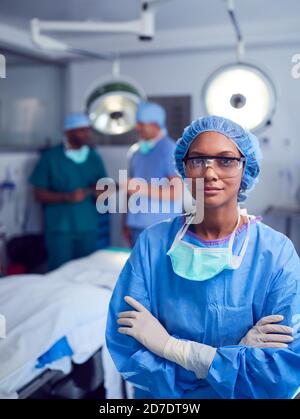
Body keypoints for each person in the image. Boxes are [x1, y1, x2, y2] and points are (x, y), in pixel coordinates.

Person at [106, 115, 300, 399]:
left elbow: (282, 370)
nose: (209, 173)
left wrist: (172, 348)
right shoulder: (153, 244)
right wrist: (233, 358)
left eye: (226, 160)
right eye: (197, 159)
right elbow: (128, 347)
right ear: (184, 168)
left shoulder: (275, 254)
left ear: (246, 167)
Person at [29, 113, 107, 271]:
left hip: (88, 227)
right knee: (59, 273)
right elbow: (38, 194)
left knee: (87, 273)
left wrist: (102, 192)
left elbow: (104, 185)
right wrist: (66, 197)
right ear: (68, 132)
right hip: (60, 229)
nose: (86, 135)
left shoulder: (93, 157)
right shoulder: (50, 158)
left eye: (87, 130)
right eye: (81, 131)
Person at [123, 101, 182, 246]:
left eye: (141, 124)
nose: (137, 127)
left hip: (161, 227)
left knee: (158, 268)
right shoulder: (136, 151)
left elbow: (177, 192)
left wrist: (141, 188)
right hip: (136, 225)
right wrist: (125, 221)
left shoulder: (169, 150)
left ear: (155, 125)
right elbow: (129, 190)